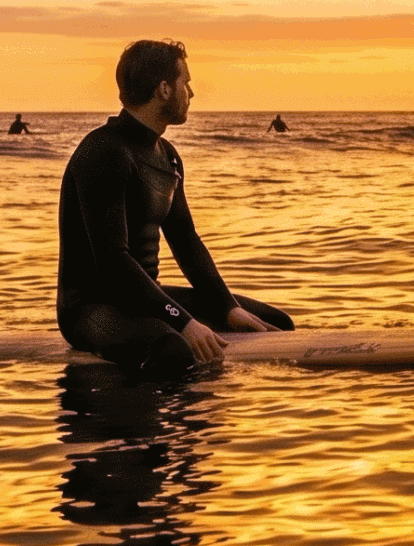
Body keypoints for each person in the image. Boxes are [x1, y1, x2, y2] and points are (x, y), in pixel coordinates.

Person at [56, 40, 293, 379]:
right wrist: (183, 322)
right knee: (174, 349)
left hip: (145, 299)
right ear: (164, 89)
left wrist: (227, 308)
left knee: (276, 324)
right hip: (91, 308)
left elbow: (185, 239)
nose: (192, 94)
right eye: (187, 83)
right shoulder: (104, 153)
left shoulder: (166, 156)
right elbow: (112, 261)